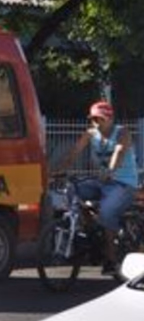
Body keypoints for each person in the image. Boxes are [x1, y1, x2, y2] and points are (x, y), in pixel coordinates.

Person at [53, 100, 139, 274]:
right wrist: (56, 172)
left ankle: (111, 259)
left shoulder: (122, 132)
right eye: (93, 119)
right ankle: (92, 230)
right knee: (73, 190)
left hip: (123, 183)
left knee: (107, 213)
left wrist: (110, 171)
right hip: (102, 181)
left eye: (100, 119)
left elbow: (119, 152)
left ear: (110, 118)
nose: (96, 123)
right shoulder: (90, 134)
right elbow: (73, 153)